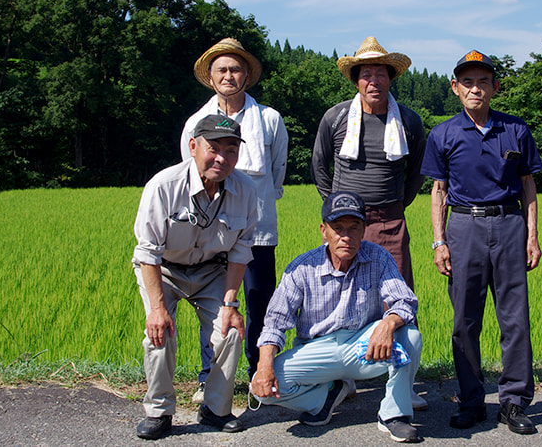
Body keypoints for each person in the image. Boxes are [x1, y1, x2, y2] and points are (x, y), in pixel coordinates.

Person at [420, 50, 542, 435]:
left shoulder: (516, 129)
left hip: (508, 225)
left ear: (495, 87)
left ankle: (514, 402)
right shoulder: (443, 133)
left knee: (514, 319)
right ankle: (471, 400)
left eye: (483, 81)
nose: (476, 88)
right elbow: (438, 191)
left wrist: (532, 235)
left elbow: (528, 185)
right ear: (456, 88)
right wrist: (439, 242)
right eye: (468, 82)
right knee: (464, 320)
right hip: (464, 228)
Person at [250, 191, 424, 443]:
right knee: (264, 391)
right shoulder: (302, 267)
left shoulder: (378, 257)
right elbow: (276, 322)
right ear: (324, 231)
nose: (346, 236)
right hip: (317, 349)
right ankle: (329, 393)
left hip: (362, 347)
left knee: (410, 336)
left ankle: (393, 415)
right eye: (338, 228)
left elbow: (404, 300)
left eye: (354, 228)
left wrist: (388, 323)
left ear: (364, 230)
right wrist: (264, 366)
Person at [132, 115, 257, 440]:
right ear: (193, 147)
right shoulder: (164, 185)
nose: (222, 158)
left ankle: (215, 408)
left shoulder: (246, 190)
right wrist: (157, 309)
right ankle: (159, 411)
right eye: (213, 148)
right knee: (160, 333)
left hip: (211, 270)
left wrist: (231, 303)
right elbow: (148, 252)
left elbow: (240, 252)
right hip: (165, 271)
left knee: (229, 332)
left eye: (231, 150)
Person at [181, 38, 288, 401]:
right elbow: (190, 174)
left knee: (260, 304)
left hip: (258, 230)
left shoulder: (269, 119)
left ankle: (259, 373)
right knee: (214, 305)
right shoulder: (196, 121)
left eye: (236, 69)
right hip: (210, 232)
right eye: (221, 69)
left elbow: (276, 175)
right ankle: (207, 376)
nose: (229, 75)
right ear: (211, 78)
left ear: (247, 76)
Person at [311, 36, 426, 293]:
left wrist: (397, 202)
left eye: (380, 74)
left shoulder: (409, 120)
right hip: (344, 222)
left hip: (390, 221)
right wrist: (335, 205)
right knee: (341, 292)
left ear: (390, 79)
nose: (374, 81)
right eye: (366, 75)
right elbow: (319, 165)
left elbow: (419, 168)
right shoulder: (335, 117)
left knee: (396, 294)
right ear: (356, 81)